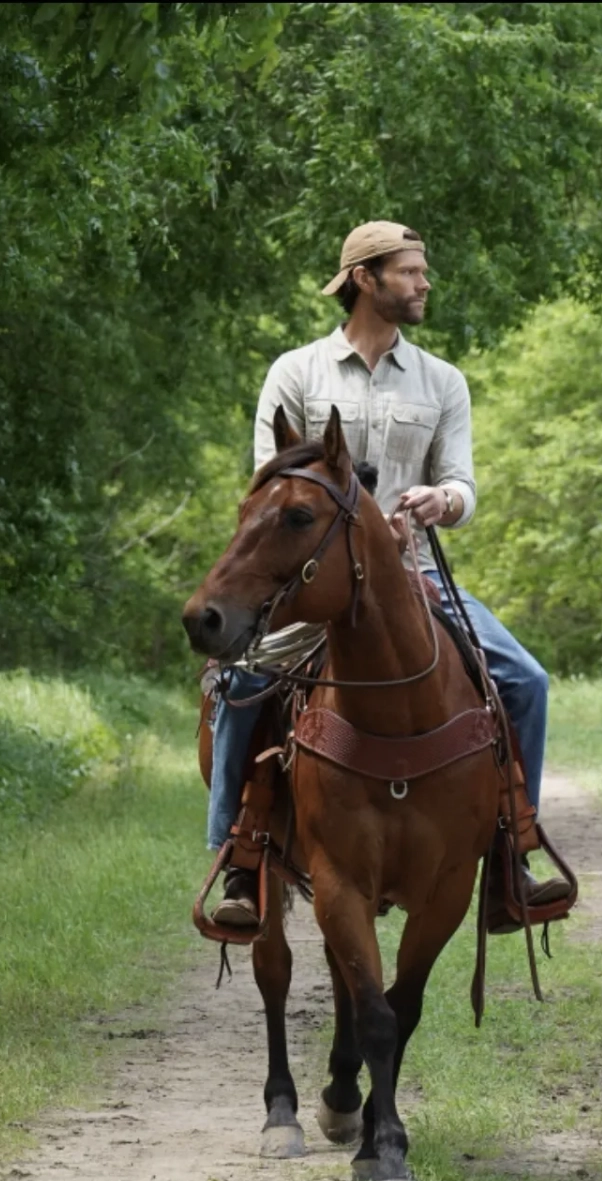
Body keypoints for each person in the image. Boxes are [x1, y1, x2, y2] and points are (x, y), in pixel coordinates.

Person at [206, 220, 569, 928]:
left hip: (414, 575)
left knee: (525, 681)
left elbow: (462, 484)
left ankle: (510, 858)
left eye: (422, 271)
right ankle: (236, 858)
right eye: (409, 272)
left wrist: (442, 501)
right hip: (310, 582)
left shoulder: (444, 382)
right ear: (364, 280)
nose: (424, 283)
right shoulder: (296, 373)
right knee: (242, 679)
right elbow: (268, 483)